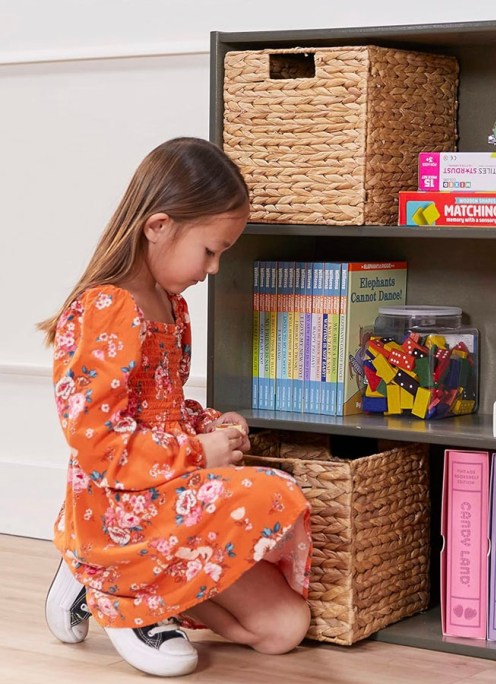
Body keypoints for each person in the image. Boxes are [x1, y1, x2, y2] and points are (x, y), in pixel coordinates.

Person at [37, 137, 313, 677]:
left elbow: (162, 407)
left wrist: (212, 428)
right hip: (118, 508)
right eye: (209, 250)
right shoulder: (103, 310)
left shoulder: (173, 308)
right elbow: (99, 446)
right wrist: (196, 452)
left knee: (283, 628)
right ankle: (119, 588)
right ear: (158, 226)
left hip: (165, 495)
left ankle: (107, 582)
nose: (213, 268)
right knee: (271, 491)